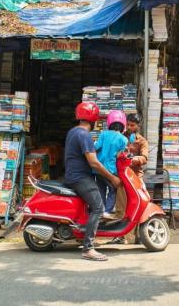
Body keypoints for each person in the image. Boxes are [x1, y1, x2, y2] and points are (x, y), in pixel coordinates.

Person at [63, 102, 122, 261]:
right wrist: (112, 178)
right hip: (79, 178)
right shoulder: (84, 135)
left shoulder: (73, 132)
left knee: (92, 205)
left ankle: (83, 233)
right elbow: (94, 162)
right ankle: (88, 248)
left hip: (73, 176)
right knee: (98, 207)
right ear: (93, 119)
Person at [107, 113, 150, 245]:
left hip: (136, 176)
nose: (130, 127)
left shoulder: (142, 141)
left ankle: (140, 235)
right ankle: (119, 236)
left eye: (133, 125)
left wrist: (135, 159)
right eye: (129, 125)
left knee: (141, 203)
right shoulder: (120, 136)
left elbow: (144, 157)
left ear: (138, 126)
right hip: (122, 176)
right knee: (121, 205)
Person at [94, 110, 129, 219]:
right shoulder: (124, 139)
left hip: (98, 169)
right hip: (111, 170)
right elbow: (119, 155)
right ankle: (107, 210)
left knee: (101, 189)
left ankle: (101, 209)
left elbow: (96, 147)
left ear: (109, 123)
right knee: (113, 189)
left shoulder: (103, 134)